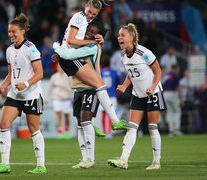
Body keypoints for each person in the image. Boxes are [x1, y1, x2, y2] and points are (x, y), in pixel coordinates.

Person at [55, 0, 127, 132]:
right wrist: (93, 41)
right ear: (85, 7)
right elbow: (71, 40)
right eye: (89, 12)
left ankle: (96, 124)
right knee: (99, 84)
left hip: (69, 55)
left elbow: (69, 39)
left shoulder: (85, 20)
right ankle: (114, 121)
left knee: (98, 85)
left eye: (94, 14)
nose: (90, 15)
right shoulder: (79, 17)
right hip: (70, 57)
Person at [0, 13, 46, 174]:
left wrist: (26, 84)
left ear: (22, 31)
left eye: (14, 31)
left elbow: (40, 73)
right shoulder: (8, 50)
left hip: (31, 95)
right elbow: (10, 74)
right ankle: (4, 164)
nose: (11, 35)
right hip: (15, 94)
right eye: (9, 32)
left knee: (34, 130)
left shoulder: (31, 48)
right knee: (3, 124)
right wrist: (3, 86)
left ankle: (41, 165)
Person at [107, 23, 166, 170]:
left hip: (153, 93)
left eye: (123, 35)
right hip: (138, 94)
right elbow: (131, 72)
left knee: (152, 128)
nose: (119, 37)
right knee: (131, 128)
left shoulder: (144, 53)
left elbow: (158, 71)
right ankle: (123, 160)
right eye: (119, 35)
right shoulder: (122, 55)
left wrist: (152, 87)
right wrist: (124, 86)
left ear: (132, 38)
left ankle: (156, 162)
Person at [54, 19, 107, 169]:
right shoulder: (76, 46)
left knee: (85, 120)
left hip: (92, 87)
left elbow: (71, 54)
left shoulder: (94, 46)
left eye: (93, 32)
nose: (90, 33)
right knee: (79, 125)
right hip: (77, 88)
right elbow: (68, 58)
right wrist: (59, 57)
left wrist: (57, 49)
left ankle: (91, 158)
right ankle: (85, 158)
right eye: (88, 30)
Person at [46, 63, 72, 139]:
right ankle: (60, 133)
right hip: (57, 98)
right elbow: (49, 88)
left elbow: (72, 86)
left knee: (67, 116)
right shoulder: (54, 77)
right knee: (59, 115)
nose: (59, 68)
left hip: (66, 98)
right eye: (58, 67)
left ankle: (67, 131)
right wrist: (46, 98)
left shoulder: (68, 76)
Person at [163, 64, 183, 136]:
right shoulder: (175, 75)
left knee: (170, 112)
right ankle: (176, 129)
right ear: (175, 69)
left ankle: (171, 130)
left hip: (165, 94)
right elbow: (178, 87)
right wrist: (181, 98)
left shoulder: (166, 75)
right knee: (177, 111)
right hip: (172, 93)